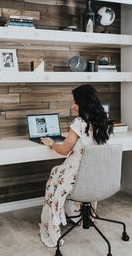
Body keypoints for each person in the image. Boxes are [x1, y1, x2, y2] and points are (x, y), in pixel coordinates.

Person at [39, 84, 114, 247]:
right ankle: (76, 215)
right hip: (96, 178)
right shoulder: (104, 123)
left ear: (84, 103)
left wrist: (51, 143)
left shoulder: (79, 123)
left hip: (77, 177)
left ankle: (55, 222)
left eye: (75, 102)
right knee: (57, 172)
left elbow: (65, 150)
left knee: (55, 174)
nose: (72, 106)